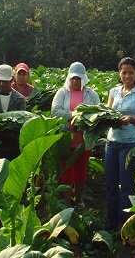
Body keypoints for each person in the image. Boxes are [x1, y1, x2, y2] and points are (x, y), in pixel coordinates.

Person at [104, 57, 135, 230]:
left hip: (130, 144)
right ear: (119, 73)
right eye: (124, 72)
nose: (127, 76)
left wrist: (130, 119)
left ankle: (124, 224)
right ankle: (111, 220)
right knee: (110, 185)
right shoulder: (113, 91)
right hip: (111, 143)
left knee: (127, 186)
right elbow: (107, 112)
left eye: (131, 72)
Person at [51, 62, 100, 207]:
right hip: (66, 140)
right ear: (69, 78)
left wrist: (87, 120)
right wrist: (75, 115)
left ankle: (79, 200)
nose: (75, 81)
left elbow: (98, 112)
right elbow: (55, 111)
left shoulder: (91, 95)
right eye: (73, 78)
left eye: (78, 78)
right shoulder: (62, 92)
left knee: (81, 172)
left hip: (84, 141)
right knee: (67, 173)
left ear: (84, 79)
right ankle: (66, 203)